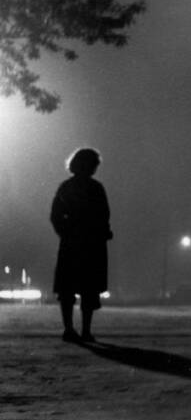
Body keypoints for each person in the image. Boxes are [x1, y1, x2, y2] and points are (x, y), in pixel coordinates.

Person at [50, 147, 113, 343]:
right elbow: (104, 215)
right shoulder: (96, 188)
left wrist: (66, 232)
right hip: (91, 245)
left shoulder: (66, 187)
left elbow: (55, 216)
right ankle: (85, 330)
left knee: (68, 290)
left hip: (71, 244)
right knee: (88, 290)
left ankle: (69, 329)